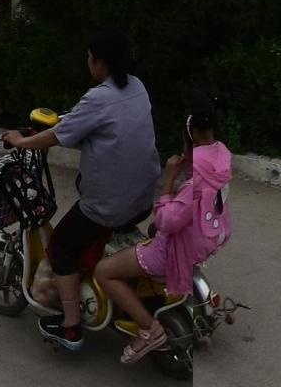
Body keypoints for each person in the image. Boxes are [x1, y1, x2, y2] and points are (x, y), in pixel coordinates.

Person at [2, 28, 159, 352]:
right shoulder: (137, 86)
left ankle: (71, 326)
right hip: (143, 199)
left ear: (100, 63)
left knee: (62, 247)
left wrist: (22, 140)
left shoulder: (98, 98)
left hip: (110, 205)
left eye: (90, 57)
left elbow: (56, 137)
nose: (88, 62)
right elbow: (82, 121)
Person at [95, 95, 232, 366]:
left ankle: (149, 330)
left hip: (170, 252)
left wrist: (168, 179)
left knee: (103, 271)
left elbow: (168, 220)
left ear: (191, 138)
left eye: (184, 142)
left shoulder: (193, 186)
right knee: (150, 228)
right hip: (207, 238)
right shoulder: (222, 158)